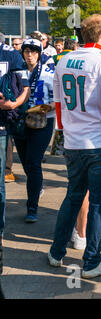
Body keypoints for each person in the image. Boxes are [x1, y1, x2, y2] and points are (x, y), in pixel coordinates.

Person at [48, 14, 101, 278]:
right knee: (99, 205)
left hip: (74, 142)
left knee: (73, 197)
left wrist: (67, 132)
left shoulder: (63, 60)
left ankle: (56, 252)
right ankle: (91, 261)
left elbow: (59, 108)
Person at [0, 31, 30, 297]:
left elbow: (25, 87)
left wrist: (14, 103)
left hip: (1, 126)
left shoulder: (9, 55)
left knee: (0, 185)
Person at [13, 39, 56, 223]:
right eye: (27, 51)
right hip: (20, 122)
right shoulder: (16, 73)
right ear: (22, 53)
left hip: (42, 122)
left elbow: (58, 100)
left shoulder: (49, 73)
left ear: (39, 53)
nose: (30, 55)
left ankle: (32, 207)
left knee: (33, 162)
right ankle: (36, 186)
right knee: (26, 163)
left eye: (33, 51)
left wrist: (46, 107)